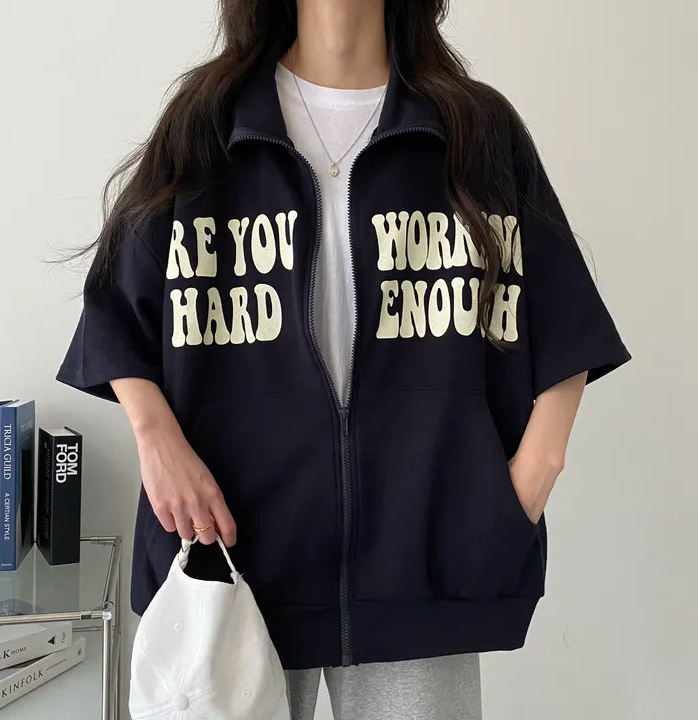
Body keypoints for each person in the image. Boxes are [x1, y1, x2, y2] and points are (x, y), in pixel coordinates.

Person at [56, 1, 631, 718]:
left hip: (424, 565)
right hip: (235, 564)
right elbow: (114, 308)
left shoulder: (474, 129)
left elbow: (565, 316)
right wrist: (155, 439)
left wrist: (529, 477)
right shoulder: (209, 122)